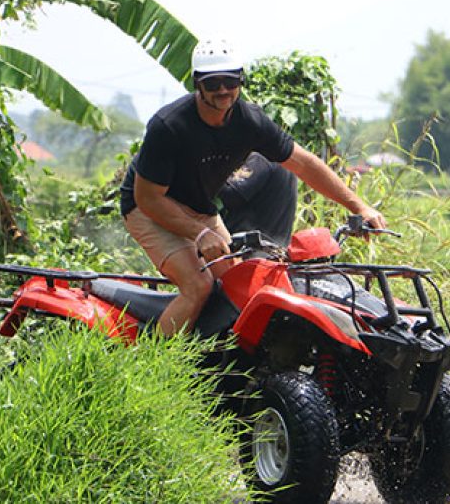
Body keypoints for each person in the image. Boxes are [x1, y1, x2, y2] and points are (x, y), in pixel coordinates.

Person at [119, 38, 385, 336]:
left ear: (240, 80)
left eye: (230, 81)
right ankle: (157, 368)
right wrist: (199, 233)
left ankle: (220, 362)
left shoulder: (249, 121)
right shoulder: (169, 126)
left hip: (198, 206)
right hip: (149, 207)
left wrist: (359, 206)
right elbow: (148, 199)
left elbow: (305, 164)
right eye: (213, 82)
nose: (223, 90)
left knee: (242, 283)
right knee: (198, 285)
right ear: (197, 84)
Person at [218, 152, 298, 246]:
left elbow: (231, 194)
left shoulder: (262, 158)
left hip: (251, 249)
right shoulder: (283, 160)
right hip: (274, 247)